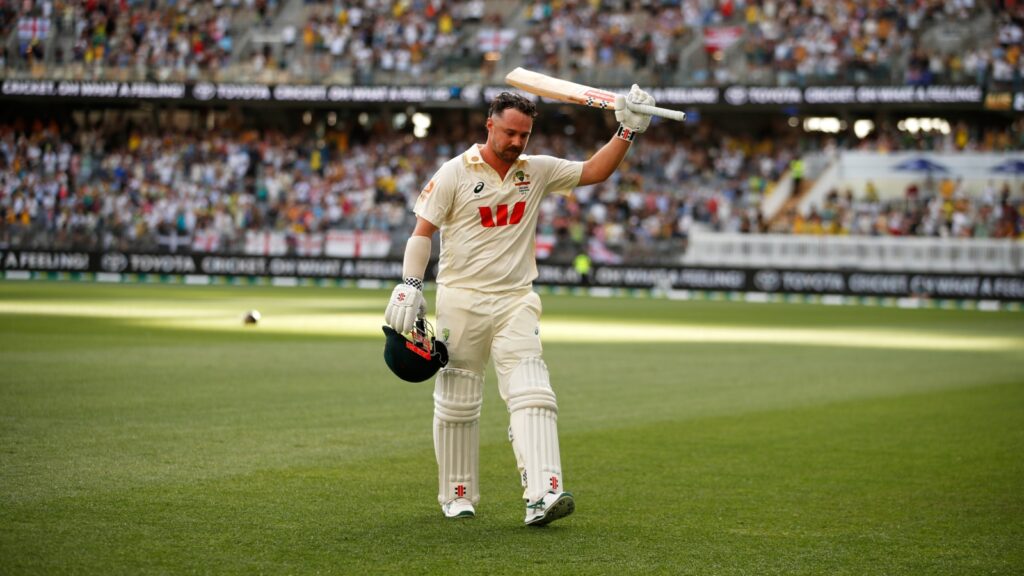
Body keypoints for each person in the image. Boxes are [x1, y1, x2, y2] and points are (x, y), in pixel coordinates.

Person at [384, 87, 657, 526]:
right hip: (462, 299)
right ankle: (457, 493)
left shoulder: (538, 170)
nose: (516, 143)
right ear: (489, 125)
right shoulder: (454, 173)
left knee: (533, 392)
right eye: (509, 133)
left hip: (516, 299)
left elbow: (593, 171)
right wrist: (411, 283)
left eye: (524, 136)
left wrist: (627, 130)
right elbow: (423, 231)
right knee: (458, 400)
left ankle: (542, 494)